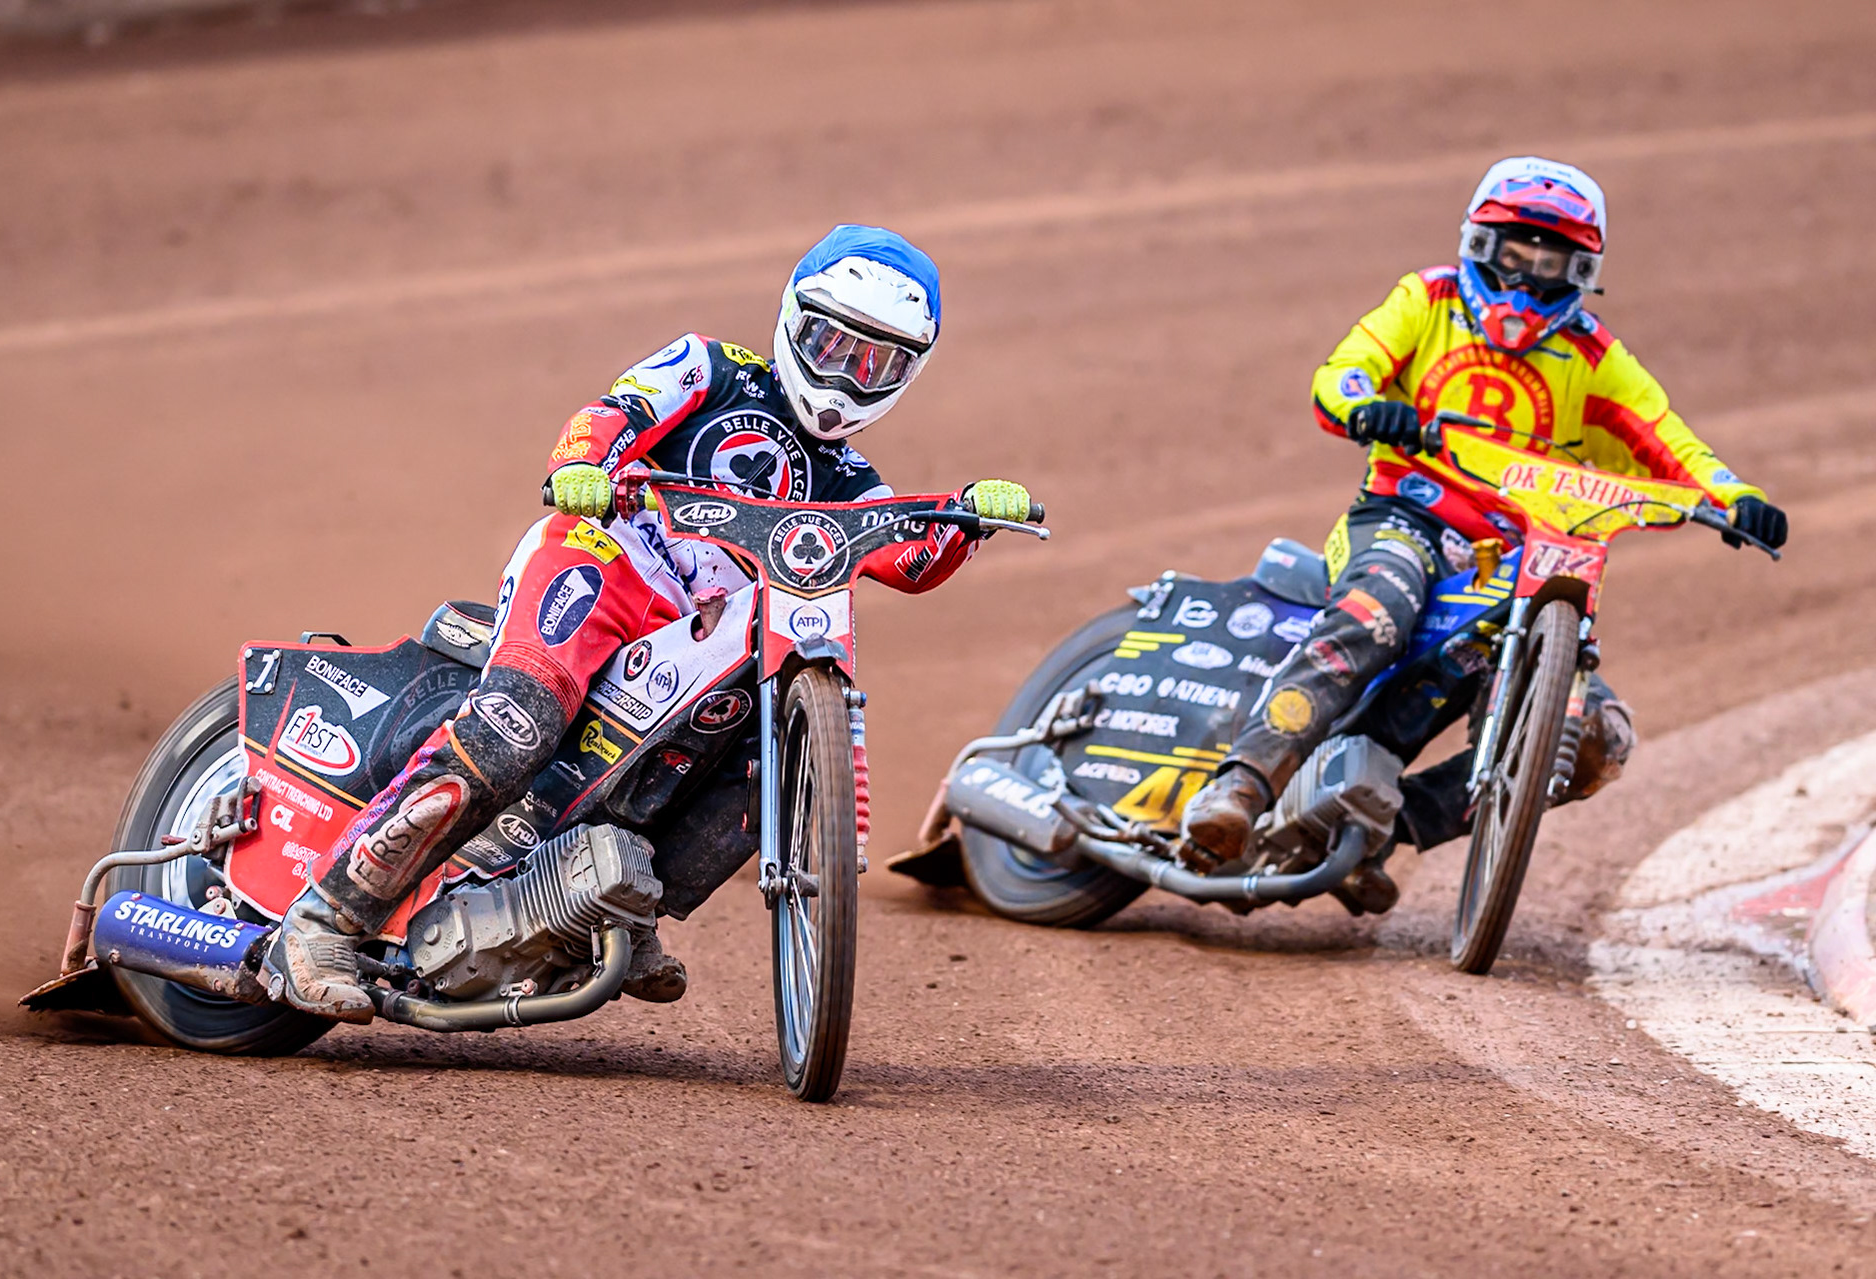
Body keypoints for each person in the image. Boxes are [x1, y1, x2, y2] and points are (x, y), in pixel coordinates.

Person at [265, 225, 1035, 1021]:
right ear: (791, 319)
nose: (845, 373)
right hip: (603, 559)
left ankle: (618, 911)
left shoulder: (849, 479)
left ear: (911, 373)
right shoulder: (711, 367)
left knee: (758, 761)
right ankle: (326, 916)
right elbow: (616, 410)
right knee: (517, 722)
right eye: (830, 341)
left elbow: (904, 559)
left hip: (696, 630)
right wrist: (581, 465)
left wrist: (965, 520)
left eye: (876, 361)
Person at [1183, 157, 1788, 909]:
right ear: (1479, 246)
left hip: (1518, 557)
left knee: (1596, 736)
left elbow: (1676, 446)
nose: (1528, 280)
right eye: (1514, 257)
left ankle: (1382, 827)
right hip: (1404, 519)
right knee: (1378, 615)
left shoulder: (1595, 359)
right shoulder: (1427, 300)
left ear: (1584, 272)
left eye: (1552, 264)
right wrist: (1369, 406)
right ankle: (1240, 782)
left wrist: (1735, 497)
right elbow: (1342, 372)